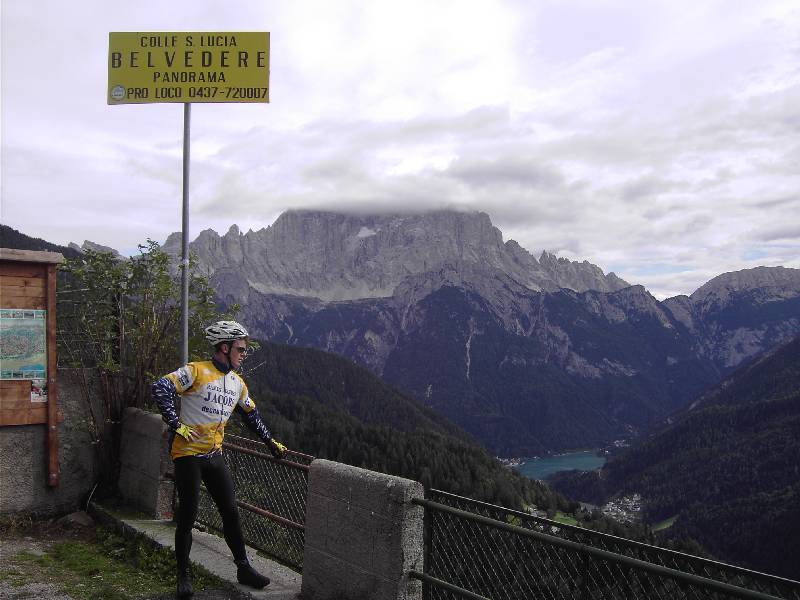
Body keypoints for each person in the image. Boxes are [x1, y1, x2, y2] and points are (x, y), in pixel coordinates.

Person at [151, 320, 287, 598]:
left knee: (231, 512)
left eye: (245, 350)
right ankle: (183, 576)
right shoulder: (196, 371)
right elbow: (161, 387)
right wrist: (175, 423)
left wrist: (269, 441)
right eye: (240, 349)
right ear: (224, 347)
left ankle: (243, 568)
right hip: (187, 453)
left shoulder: (237, 383)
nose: (244, 354)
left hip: (214, 454)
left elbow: (251, 415)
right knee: (188, 514)